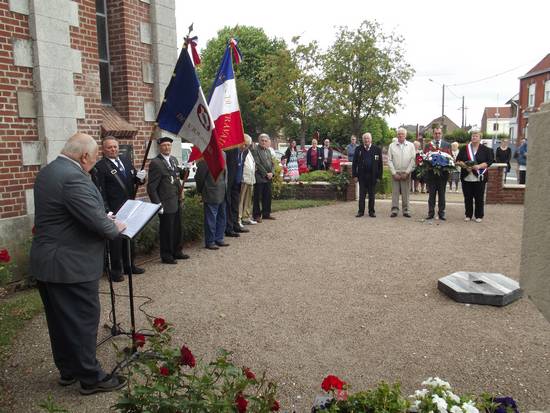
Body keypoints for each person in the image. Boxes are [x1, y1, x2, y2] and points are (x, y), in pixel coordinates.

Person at [30, 132, 127, 395]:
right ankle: (90, 377)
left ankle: (68, 370)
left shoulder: (49, 171)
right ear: (84, 156)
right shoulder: (74, 177)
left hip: (48, 262)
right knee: (82, 320)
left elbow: (70, 213)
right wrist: (113, 224)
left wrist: (99, 215)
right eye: (95, 158)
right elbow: (100, 226)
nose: (94, 163)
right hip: (70, 265)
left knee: (60, 321)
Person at [94, 136, 146, 282]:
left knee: (129, 237)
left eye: (115, 147)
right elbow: (100, 191)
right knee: (115, 241)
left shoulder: (125, 161)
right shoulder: (100, 166)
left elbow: (134, 180)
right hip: (114, 209)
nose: (113, 149)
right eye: (109, 147)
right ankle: (116, 270)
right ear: (103, 150)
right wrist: (106, 210)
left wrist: (140, 178)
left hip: (129, 207)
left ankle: (130, 265)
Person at [147, 136, 189, 264]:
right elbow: (151, 187)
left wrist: (185, 171)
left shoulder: (173, 160)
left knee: (177, 227)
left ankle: (177, 251)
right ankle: (167, 255)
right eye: (164, 145)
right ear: (160, 147)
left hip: (176, 199)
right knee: (167, 230)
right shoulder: (156, 163)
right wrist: (158, 204)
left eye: (169, 145)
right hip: (165, 202)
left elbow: (177, 177)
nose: (167, 148)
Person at [455, 128, 494, 222]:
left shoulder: (486, 149)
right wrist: (464, 166)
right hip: (466, 176)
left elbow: (489, 161)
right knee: (467, 197)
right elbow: (457, 161)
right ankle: (468, 214)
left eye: (476, 136)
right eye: (473, 136)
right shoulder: (465, 148)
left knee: (479, 197)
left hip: (479, 176)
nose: (474, 137)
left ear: (480, 138)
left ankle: (479, 215)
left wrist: (479, 166)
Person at [195, 157, 229, 250]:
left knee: (222, 217)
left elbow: (225, 174)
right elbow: (199, 177)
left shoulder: (223, 154)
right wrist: (201, 190)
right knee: (211, 218)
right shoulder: (205, 158)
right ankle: (210, 241)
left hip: (223, 191)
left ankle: (219, 238)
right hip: (211, 192)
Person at [352, 132, 383, 217]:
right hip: (362, 176)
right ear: (363, 140)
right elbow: (354, 163)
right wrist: (354, 175)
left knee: (372, 195)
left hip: (373, 176)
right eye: (365, 138)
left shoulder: (377, 149)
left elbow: (380, 164)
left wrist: (379, 176)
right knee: (362, 195)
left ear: (371, 139)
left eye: (368, 138)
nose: (366, 140)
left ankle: (371, 211)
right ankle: (361, 211)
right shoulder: (358, 149)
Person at [387, 127, 416, 218]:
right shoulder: (392, 145)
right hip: (395, 173)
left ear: (405, 135)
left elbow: (413, 160)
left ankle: (406, 210)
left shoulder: (411, 145)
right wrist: (394, 173)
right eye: (399, 134)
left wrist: (407, 172)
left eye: (402, 134)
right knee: (395, 193)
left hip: (406, 173)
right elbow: (389, 160)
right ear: (397, 135)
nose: (400, 135)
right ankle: (394, 210)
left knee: (406, 193)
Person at [424, 127, 451, 220]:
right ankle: (430, 213)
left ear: (441, 134)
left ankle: (441, 213)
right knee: (431, 195)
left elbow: (450, 159)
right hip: (431, 174)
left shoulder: (447, 145)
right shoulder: (428, 145)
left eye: (439, 133)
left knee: (442, 195)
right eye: (435, 133)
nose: (437, 135)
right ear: (433, 134)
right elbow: (424, 158)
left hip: (443, 175)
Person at [224, 145, 248, 237]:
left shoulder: (244, 152)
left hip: (237, 182)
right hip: (230, 182)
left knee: (235, 205)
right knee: (229, 205)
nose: (244, 146)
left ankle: (236, 225)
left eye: (246, 145)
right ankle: (229, 228)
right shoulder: (231, 151)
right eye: (243, 144)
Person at [252, 133, 275, 222]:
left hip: (269, 177)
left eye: (265, 141)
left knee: (267, 196)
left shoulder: (268, 151)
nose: (264, 142)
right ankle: (256, 215)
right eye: (262, 140)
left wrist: (272, 173)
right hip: (260, 177)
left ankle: (266, 214)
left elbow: (272, 163)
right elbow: (258, 164)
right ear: (259, 141)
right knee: (257, 197)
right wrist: (266, 174)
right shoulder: (255, 150)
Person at [239, 134, 257, 226]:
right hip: (244, 179)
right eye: (246, 144)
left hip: (250, 179)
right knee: (241, 200)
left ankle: (246, 217)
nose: (247, 146)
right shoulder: (241, 152)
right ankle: (239, 218)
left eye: (248, 145)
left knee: (248, 200)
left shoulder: (248, 151)